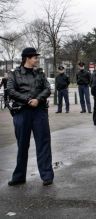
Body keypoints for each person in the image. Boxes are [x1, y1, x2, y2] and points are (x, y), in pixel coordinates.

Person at [7, 47, 54, 186]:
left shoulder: (40, 73)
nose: (37, 60)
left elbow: (47, 88)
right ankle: (19, 176)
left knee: (43, 143)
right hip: (22, 112)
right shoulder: (14, 74)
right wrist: (28, 99)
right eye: (35, 58)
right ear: (27, 58)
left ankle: (47, 176)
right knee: (22, 145)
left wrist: (38, 100)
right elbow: (10, 90)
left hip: (39, 111)